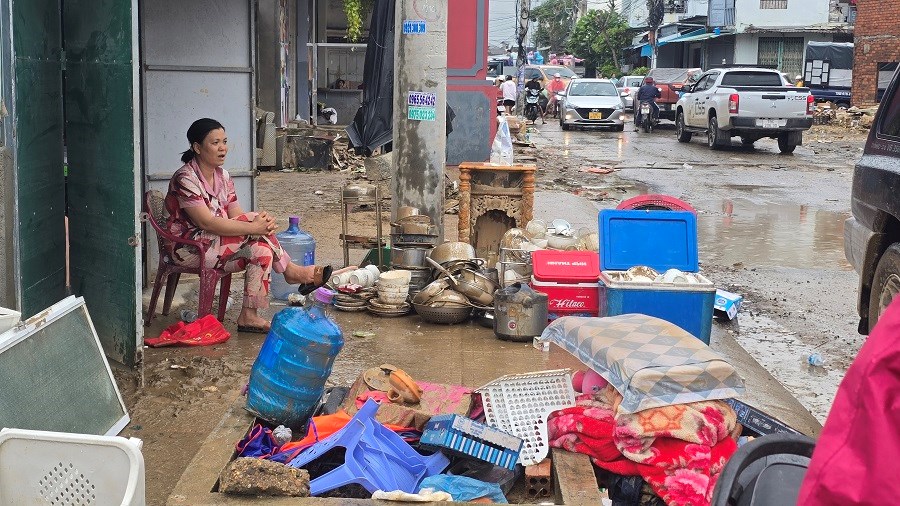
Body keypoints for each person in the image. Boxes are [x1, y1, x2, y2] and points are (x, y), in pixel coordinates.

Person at [165, 118, 333, 333]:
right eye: (215, 143)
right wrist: (254, 227)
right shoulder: (185, 178)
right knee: (254, 223)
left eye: (224, 141)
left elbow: (236, 215)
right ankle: (290, 271)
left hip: (215, 243)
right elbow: (205, 222)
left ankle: (248, 316)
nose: (222, 148)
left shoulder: (223, 176)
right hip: (188, 248)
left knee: (261, 250)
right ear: (197, 147)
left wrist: (260, 226)